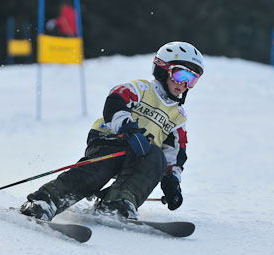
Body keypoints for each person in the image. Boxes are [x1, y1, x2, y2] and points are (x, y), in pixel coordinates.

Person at [20, 41, 204, 220]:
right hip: (110, 141)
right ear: (162, 69)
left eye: (192, 80)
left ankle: (117, 202)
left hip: (141, 156)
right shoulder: (143, 89)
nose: (184, 85)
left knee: (157, 158)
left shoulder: (178, 117)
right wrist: (129, 129)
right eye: (181, 75)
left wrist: (171, 182)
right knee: (98, 172)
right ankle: (46, 200)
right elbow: (116, 99)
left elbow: (175, 153)